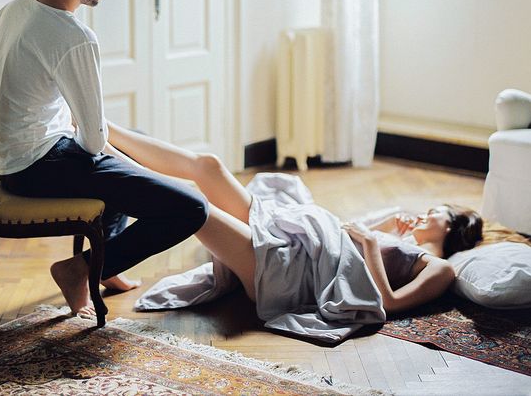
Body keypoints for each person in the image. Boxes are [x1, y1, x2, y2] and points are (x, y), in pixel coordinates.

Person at [0, 0, 208, 316]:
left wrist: (26, 106)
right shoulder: (74, 36)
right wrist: (80, 136)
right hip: (36, 166)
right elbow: (94, 142)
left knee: (133, 145)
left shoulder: (16, 8)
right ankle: (79, 270)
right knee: (191, 208)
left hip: (11, 158)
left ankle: (106, 265)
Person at [105, 121, 484, 314]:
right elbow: (341, 239)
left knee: (192, 207)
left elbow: (389, 303)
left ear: (451, 225)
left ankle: (107, 160)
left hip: (286, 274)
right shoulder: (406, 243)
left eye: (435, 213)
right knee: (209, 166)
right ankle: (104, 131)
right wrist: (381, 231)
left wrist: (370, 243)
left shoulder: (441, 268)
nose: (424, 215)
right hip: (297, 242)